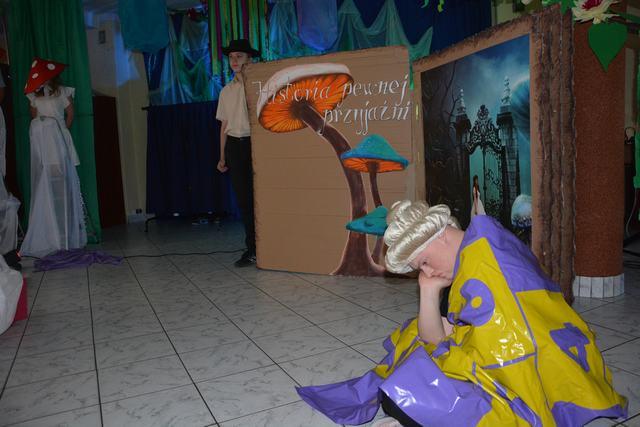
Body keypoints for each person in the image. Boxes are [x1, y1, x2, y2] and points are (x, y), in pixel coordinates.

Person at [298, 200, 628, 426]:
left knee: (400, 396)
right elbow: (436, 338)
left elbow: (509, 351)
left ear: (440, 236)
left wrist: (451, 354)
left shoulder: (485, 265)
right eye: (419, 269)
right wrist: (428, 292)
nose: (426, 272)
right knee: (403, 376)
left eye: (423, 262)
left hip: (526, 374)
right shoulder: (465, 261)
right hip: (498, 360)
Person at [20, 58, 86, 258]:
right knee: (47, 185)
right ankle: (51, 235)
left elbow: (70, 114)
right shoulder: (34, 94)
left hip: (59, 140)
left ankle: (68, 234)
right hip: (44, 143)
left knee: (64, 185)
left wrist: (62, 131)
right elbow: (34, 118)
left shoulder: (62, 91)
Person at [216, 39, 259, 268]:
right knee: (244, 200)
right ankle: (252, 249)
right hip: (235, 145)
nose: (234, 60)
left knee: (261, 196)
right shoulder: (226, 91)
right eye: (231, 57)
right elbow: (224, 126)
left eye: (239, 56)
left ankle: (272, 244)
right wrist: (222, 156)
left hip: (255, 144)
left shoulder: (258, 85)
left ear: (249, 59)